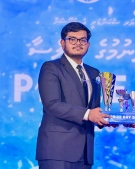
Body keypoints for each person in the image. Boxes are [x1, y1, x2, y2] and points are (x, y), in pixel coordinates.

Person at [36, 22, 111, 169]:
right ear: (62, 43)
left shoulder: (94, 73)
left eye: (82, 40)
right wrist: (89, 114)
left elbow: (93, 109)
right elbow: (52, 104)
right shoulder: (51, 68)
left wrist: (107, 118)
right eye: (72, 39)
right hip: (57, 152)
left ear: (88, 45)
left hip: (85, 152)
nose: (78, 43)